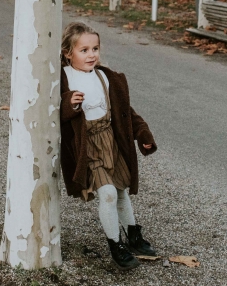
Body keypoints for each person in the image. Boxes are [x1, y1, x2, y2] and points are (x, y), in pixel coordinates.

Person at [60, 21, 158, 270]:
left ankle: (133, 234)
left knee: (122, 191)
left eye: (95, 48)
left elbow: (126, 113)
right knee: (108, 193)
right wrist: (69, 104)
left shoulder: (106, 77)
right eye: (84, 50)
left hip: (111, 143)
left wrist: (143, 134)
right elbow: (54, 115)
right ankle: (116, 245)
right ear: (68, 53)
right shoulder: (63, 79)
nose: (91, 54)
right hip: (88, 147)